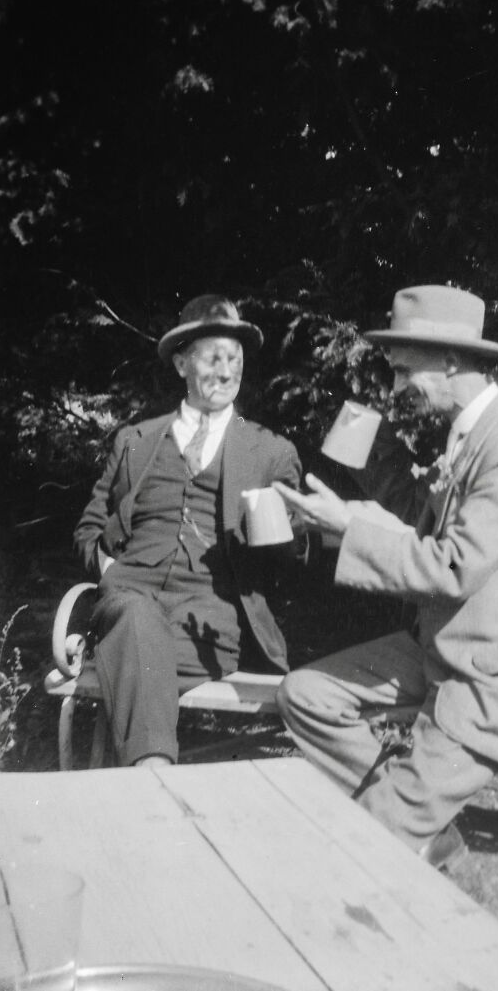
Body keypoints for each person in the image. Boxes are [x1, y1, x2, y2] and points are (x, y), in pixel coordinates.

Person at [274, 284, 498, 870]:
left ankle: (400, 828)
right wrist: (365, 453)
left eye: (404, 367)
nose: (395, 383)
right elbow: (422, 515)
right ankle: (423, 828)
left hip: (495, 678)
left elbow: (454, 567)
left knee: (360, 848)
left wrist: (350, 530)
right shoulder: (468, 432)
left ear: (453, 361)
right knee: (305, 695)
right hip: (442, 649)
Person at [74, 294, 304, 768]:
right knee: (135, 620)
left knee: (139, 647)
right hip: (128, 596)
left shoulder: (269, 452)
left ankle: (147, 770)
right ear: (181, 363)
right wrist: (106, 564)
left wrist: (284, 534)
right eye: (213, 358)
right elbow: (90, 525)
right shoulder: (134, 441)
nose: (226, 372)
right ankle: (155, 771)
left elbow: (298, 554)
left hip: (209, 618)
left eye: (235, 360)